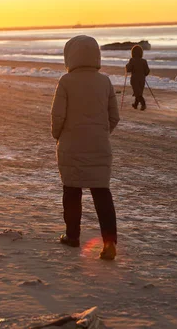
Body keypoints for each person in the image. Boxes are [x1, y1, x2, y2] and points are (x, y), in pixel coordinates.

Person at [51, 35, 120, 260]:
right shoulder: (105, 81)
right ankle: (109, 243)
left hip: (71, 145)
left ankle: (72, 237)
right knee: (102, 193)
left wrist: (57, 135)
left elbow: (57, 115)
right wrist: (100, 133)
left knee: (71, 192)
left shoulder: (66, 81)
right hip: (100, 144)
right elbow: (114, 116)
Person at [125, 45, 150, 110]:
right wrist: (143, 74)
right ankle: (135, 105)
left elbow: (129, 69)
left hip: (134, 80)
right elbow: (147, 71)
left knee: (137, 93)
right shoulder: (144, 61)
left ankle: (143, 104)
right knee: (139, 92)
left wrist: (127, 66)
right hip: (142, 80)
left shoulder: (132, 60)